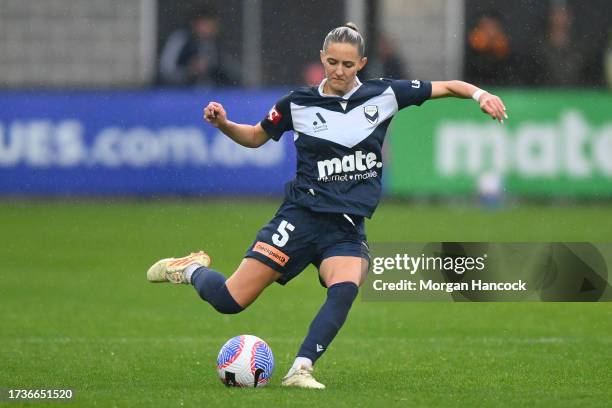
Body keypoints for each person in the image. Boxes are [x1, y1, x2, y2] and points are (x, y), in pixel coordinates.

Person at [146, 22, 507, 389]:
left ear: (362, 63)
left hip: (345, 226)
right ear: (322, 58)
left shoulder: (384, 95)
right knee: (229, 301)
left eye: (347, 65)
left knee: (348, 283)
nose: (338, 71)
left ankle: (301, 368)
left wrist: (480, 95)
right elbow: (256, 137)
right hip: (300, 217)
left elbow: (446, 86)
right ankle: (190, 269)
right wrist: (223, 124)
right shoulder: (297, 103)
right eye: (332, 62)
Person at [158, 8, 238, 86]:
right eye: (205, 25)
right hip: (177, 92)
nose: (208, 29)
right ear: (194, 24)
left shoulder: (216, 43)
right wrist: (189, 70)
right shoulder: (180, 39)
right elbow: (165, 71)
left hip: (209, 93)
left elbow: (230, 72)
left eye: (211, 26)